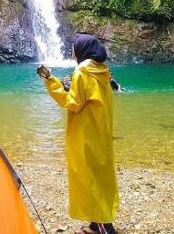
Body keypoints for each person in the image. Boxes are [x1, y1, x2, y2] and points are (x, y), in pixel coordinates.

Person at [37, 32, 119, 234]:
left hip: (86, 133)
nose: (71, 50)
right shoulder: (101, 69)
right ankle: (95, 222)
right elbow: (87, 97)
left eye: (73, 46)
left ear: (81, 49)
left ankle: (105, 227)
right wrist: (70, 86)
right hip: (100, 131)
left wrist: (51, 81)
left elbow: (72, 103)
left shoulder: (82, 71)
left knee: (88, 175)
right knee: (99, 174)